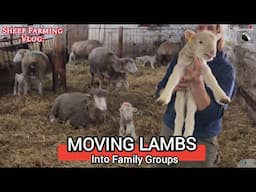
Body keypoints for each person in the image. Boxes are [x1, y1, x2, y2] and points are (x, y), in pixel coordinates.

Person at [155, 24, 237, 167]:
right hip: (170, 130)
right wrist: (172, 88)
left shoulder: (225, 69)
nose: (204, 31)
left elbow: (212, 114)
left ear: (218, 33)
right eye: (200, 27)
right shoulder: (179, 58)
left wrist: (196, 83)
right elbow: (160, 90)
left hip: (200, 138)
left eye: (210, 27)